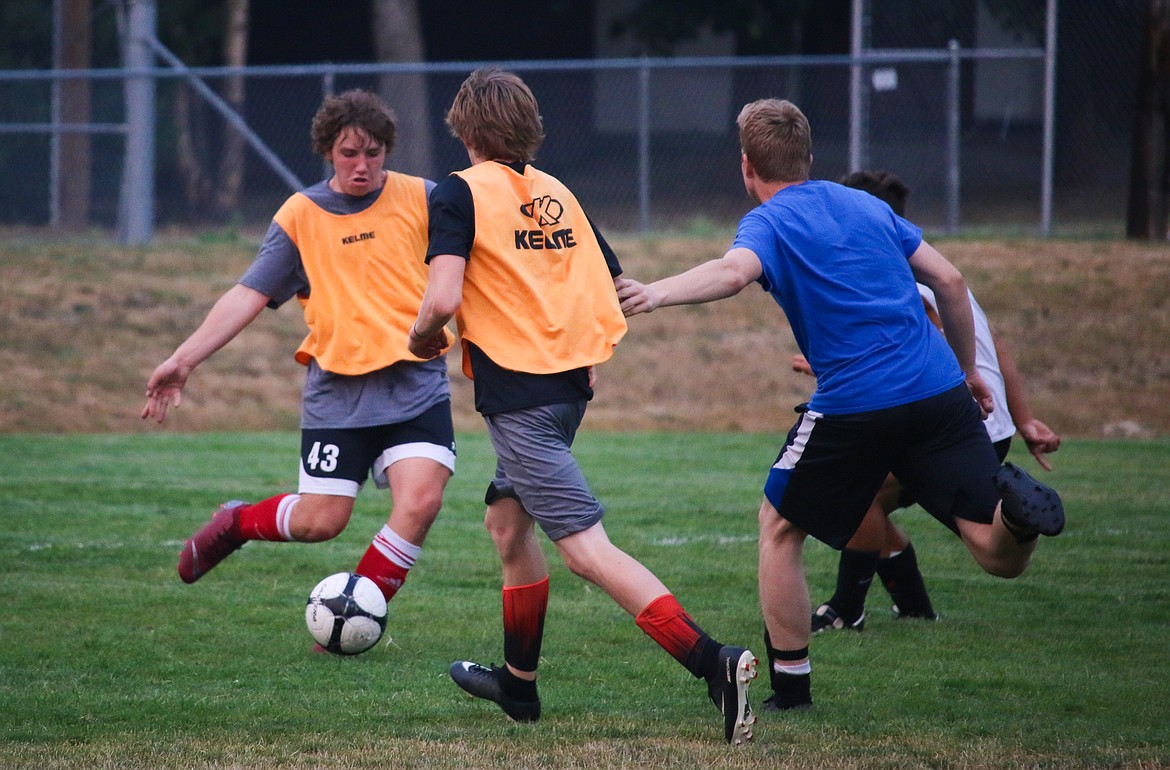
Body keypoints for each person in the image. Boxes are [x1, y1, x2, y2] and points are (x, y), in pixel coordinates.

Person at [615, 99, 1064, 713]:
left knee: (779, 526)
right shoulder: (867, 205)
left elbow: (731, 273)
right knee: (994, 552)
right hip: (937, 391)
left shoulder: (768, 223)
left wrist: (655, 292)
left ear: (747, 166)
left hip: (856, 403)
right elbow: (952, 283)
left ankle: (792, 689)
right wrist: (964, 371)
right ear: (809, 158)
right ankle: (1018, 518)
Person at [406, 67, 758, 745]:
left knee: (586, 552)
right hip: (568, 390)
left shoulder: (458, 193)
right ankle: (518, 685)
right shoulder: (555, 192)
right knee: (508, 525)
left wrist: (422, 337)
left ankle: (713, 662)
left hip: (521, 400)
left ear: (466, 129)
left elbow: (443, 299)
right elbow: (616, 284)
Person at [142, 90, 456, 629]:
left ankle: (350, 622)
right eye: (349, 153)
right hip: (339, 394)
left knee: (421, 502)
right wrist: (183, 359)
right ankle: (236, 523)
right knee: (320, 522)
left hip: (416, 385)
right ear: (327, 151)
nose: (363, 165)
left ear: (388, 150)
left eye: (374, 153)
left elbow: (473, 275)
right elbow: (248, 294)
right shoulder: (301, 215)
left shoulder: (425, 198)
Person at [802, 170, 1063, 633]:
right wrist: (1026, 421)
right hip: (989, 424)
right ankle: (918, 605)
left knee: (852, 490)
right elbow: (996, 346)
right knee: (982, 543)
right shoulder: (934, 272)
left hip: (949, 423)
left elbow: (924, 345)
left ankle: (846, 608)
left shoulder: (892, 280)